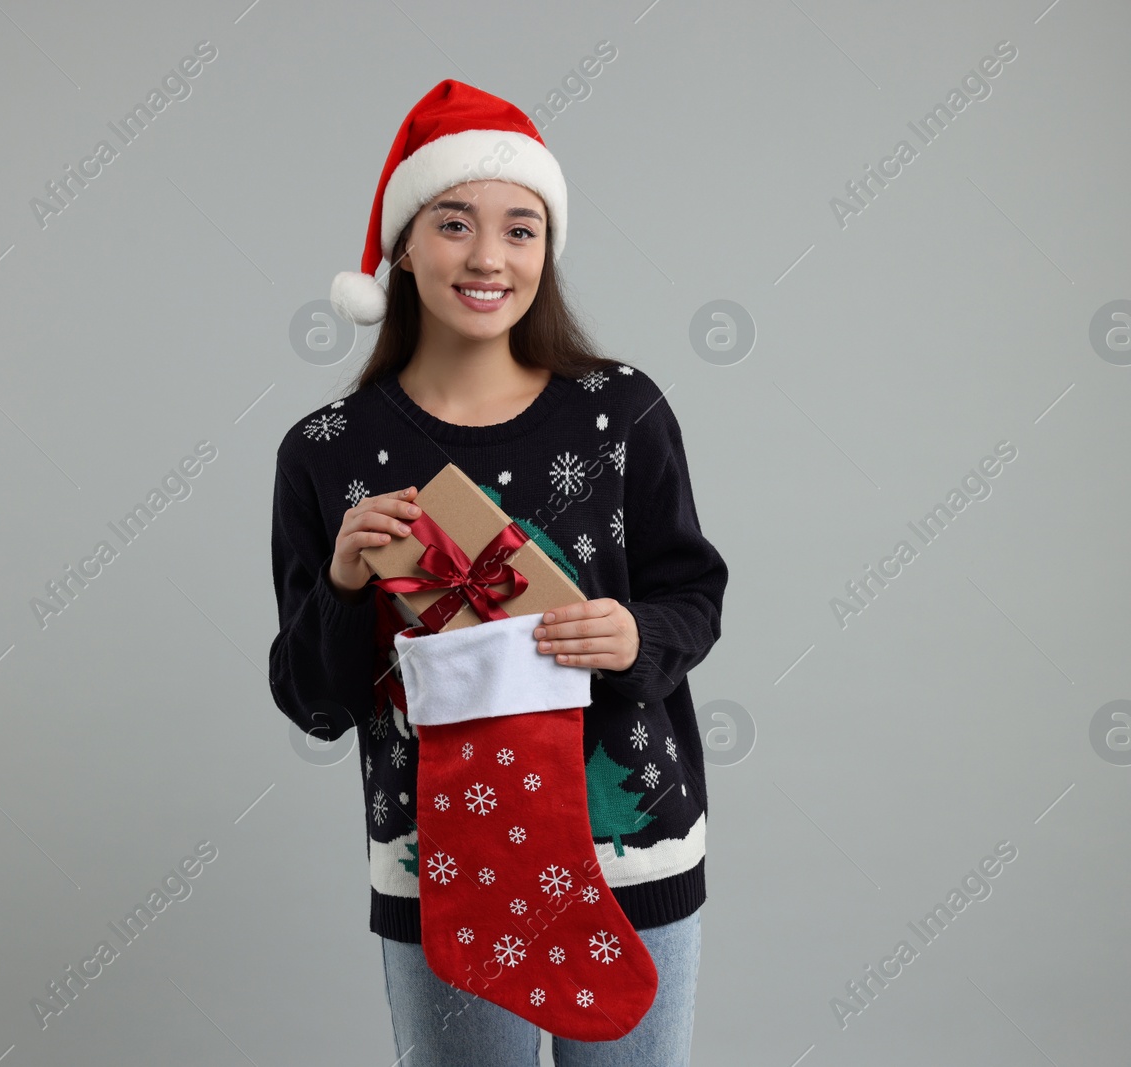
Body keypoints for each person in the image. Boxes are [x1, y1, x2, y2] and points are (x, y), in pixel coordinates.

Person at [268, 79, 728, 1066]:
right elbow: (313, 698)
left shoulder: (620, 413)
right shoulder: (328, 451)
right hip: (443, 870)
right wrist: (347, 584)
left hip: (629, 852)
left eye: (520, 229)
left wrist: (637, 636)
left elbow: (694, 595)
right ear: (401, 244)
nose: (487, 256)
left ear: (546, 250)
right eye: (452, 223)